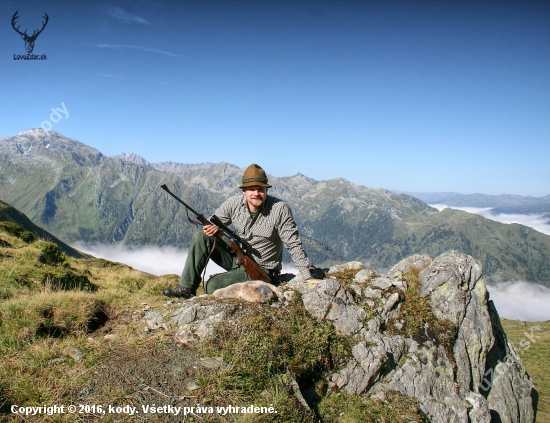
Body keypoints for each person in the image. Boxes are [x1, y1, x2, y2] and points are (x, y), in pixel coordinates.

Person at [163, 163, 322, 298]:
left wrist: (307, 277)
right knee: (201, 236)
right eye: (251, 189)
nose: (256, 193)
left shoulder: (280, 209)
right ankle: (186, 288)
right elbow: (214, 221)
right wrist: (210, 228)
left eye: (260, 189)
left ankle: (260, 283)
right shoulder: (233, 204)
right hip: (238, 257)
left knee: (211, 286)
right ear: (243, 191)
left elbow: (293, 243)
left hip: (261, 269)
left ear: (266, 190)